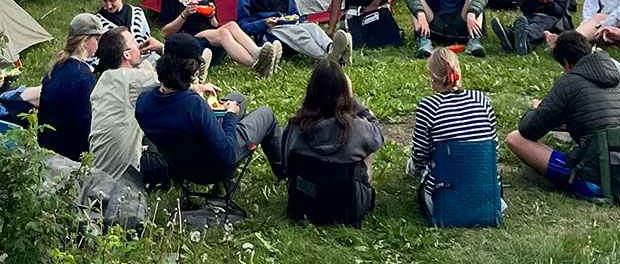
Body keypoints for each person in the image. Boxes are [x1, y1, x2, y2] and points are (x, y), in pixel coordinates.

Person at [135, 35, 283, 187]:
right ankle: (285, 173)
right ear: (192, 69)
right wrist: (231, 115)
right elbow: (227, 153)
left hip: (182, 168)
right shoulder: (193, 105)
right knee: (266, 115)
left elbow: (173, 103)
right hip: (214, 169)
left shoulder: (144, 102)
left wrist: (195, 88)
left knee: (236, 98)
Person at [506, 30, 620, 198]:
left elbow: (528, 129)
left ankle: (566, 178)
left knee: (515, 139)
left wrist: (535, 109)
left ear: (566, 63)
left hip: (599, 185)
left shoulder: (570, 82)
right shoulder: (617, 79)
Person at [90, 27, 217, 185]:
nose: (138, 45)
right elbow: (174, 70)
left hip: (99, 170)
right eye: (134, 43)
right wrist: (161, 49)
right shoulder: (132, 79)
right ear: (126, 54)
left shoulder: (102, 81)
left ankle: (195, 81)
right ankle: (196, 78)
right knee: (172, 150)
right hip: (125, 174)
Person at [281, 59, 384, 214]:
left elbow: (287, 165)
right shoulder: (356, 128)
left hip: (303, 203)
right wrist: (351, 100)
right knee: (368, 144)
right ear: (343, 92)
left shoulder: (296, 126)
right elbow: (378, 136)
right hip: (347, 206)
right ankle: (364, 180)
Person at [408, 47, 496, 218]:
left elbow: (420, 156)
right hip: (485, 191)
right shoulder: (481, 100)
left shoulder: (428, 107)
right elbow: (493, 147)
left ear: (433, 77)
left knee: (417, 167)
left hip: (445, 197)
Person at [38, 12, 104, 159]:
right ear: (86, 40)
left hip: (47, 148)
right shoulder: (84, 77)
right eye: (97, 39)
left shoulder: (56, 67)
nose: (98, 45)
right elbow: (85, 122)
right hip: (72, 155)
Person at [93, 0, 162, 55]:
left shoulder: (137, 12)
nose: (109, 5)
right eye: (105, 1)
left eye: (112, 0)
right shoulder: (97, 21)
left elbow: (147, 37)